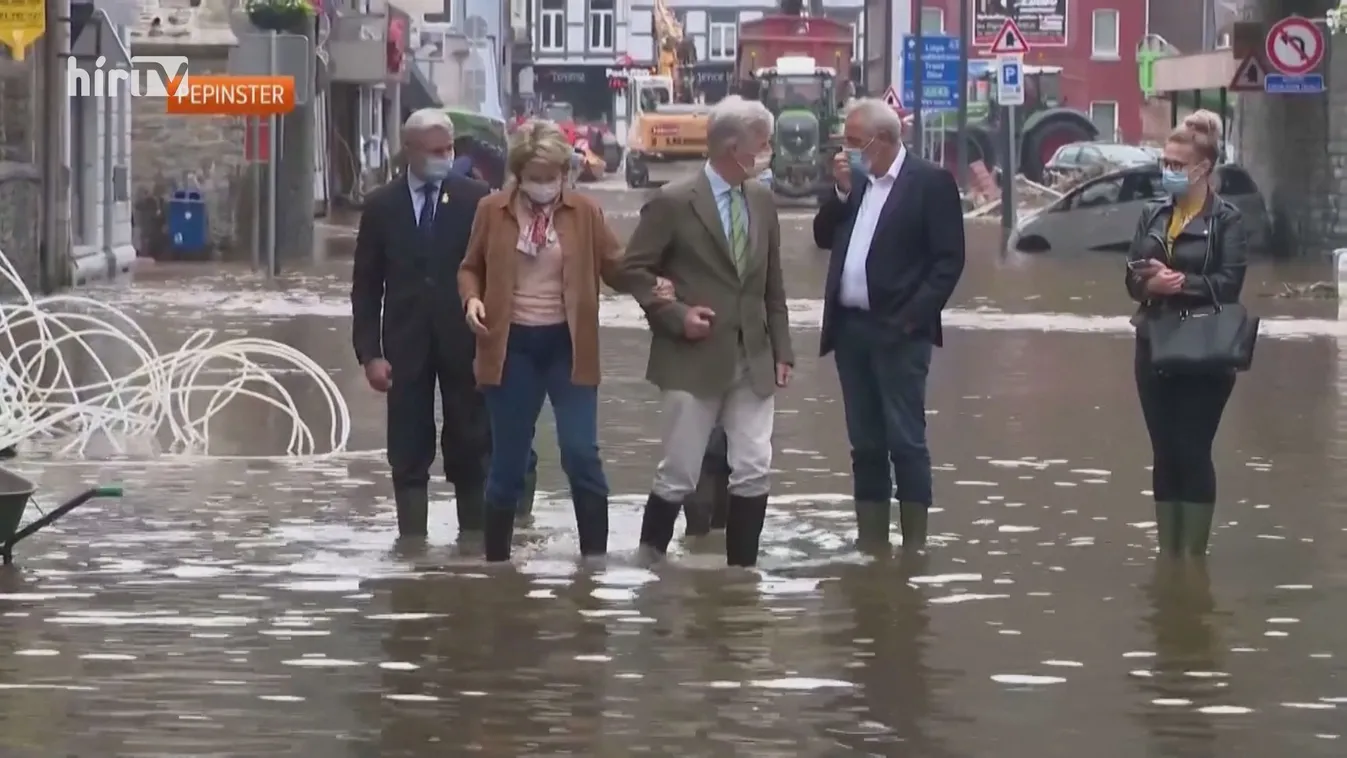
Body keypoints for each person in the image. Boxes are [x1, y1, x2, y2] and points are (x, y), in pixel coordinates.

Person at [458, 119, 671, 562]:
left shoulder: (584, 213)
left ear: (564, 173)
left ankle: (594, 564)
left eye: (551, 176)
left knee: (581, 453)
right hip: (510, 346)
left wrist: (656, 287)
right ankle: (497, 568)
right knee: (508, 463)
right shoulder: (492, 211)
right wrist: (472, 300)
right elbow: (469, 266)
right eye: (533, 177)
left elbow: (617, 266)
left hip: (568, 347)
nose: (543, 186)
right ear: (518, 174)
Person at [620, 96, 793, 568]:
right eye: (763, 144)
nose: (768, 152)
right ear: (733, 147)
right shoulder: (674, 202)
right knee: (679, 470)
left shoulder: (761, 198)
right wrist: (676, 315)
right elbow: (632, 271)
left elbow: (772, 283)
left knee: (754, 465)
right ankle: (649, 565)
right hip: (692, 357)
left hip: (752, 355)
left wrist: (783, 349)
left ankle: (742, 576)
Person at [351, 108, 535, 543]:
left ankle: (471, 547)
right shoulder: (381, 206)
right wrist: (370, 354)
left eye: (449, 149)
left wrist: (494, 349)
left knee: (472, 445)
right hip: (405, 346)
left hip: (465, 344)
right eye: (435, 151)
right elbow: (365, 287)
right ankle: (412, 546)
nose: (444, 157)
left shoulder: (476, 199)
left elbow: (496, 275)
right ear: (410, 151)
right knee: (408, 447)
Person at [812, 98, 966, 551]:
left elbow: (948, 262)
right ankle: (871, 544)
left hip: (900, 332)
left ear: (884, 140)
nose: (847, 151)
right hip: (851, 331)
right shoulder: (855, 184)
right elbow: (823, 237)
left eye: (855, 142)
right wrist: (840, 192)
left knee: (906, 440)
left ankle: (914, 546)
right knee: (865, 443)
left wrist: (911, 319)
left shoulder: (930, 183)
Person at [1126, 110, 1246, 557]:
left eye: (1177, 165)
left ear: (1203, 168)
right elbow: (1131, 273)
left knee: (1192, 449)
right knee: (1164, 452)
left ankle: (1194, 556)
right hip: (1154, 344)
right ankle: (1168, 554)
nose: (1168, 172)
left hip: (1206, 350)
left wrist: (1177, 282)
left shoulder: (1227, 219)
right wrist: (1146, 283)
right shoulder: (1153, 213)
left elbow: (1230, 283)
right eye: (1165, 162)